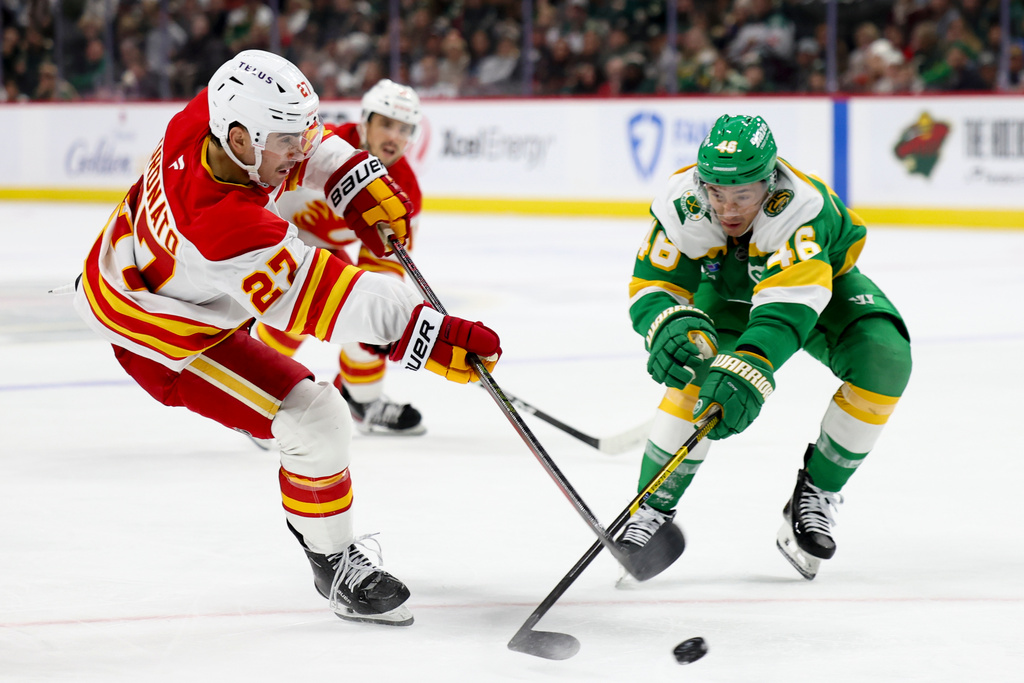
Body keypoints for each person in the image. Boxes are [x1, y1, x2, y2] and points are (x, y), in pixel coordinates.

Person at [72, 50, 502, 626]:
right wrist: (425, 332)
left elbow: (311, 141)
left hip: (142, 273)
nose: (300, 151)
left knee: (316, 415)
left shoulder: (207, 117)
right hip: (163, 334)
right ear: (241, 138)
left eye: (299, 136)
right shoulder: (223, 225)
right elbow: (320, 296)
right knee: (313, 419)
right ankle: (333, 562)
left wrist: (352, 177)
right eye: (285, 141)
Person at [616, 114, 911, 580]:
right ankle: (650, 507)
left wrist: (751, 361)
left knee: (885, 358)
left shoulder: (801, 207)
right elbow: (654, 283)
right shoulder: (682, 202)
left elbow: (789, 305)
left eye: (743, 195)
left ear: (769, 182)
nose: (727, 209)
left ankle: (817, 489)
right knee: (694, 364)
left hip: (820, 286)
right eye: (716, 193)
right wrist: (666, 322)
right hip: (728, 289)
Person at [254, 79, 428, 436]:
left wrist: (382, 316)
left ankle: (360, 400)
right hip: (268, 233)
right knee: (295, 297)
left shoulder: (404, 190)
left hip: (316, 244)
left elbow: (383, 268)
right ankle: (259, 391)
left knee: (374, 313)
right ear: (364, 122)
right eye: (386, 123)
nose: (395, 136)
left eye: (404, 128)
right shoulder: (323, 146)